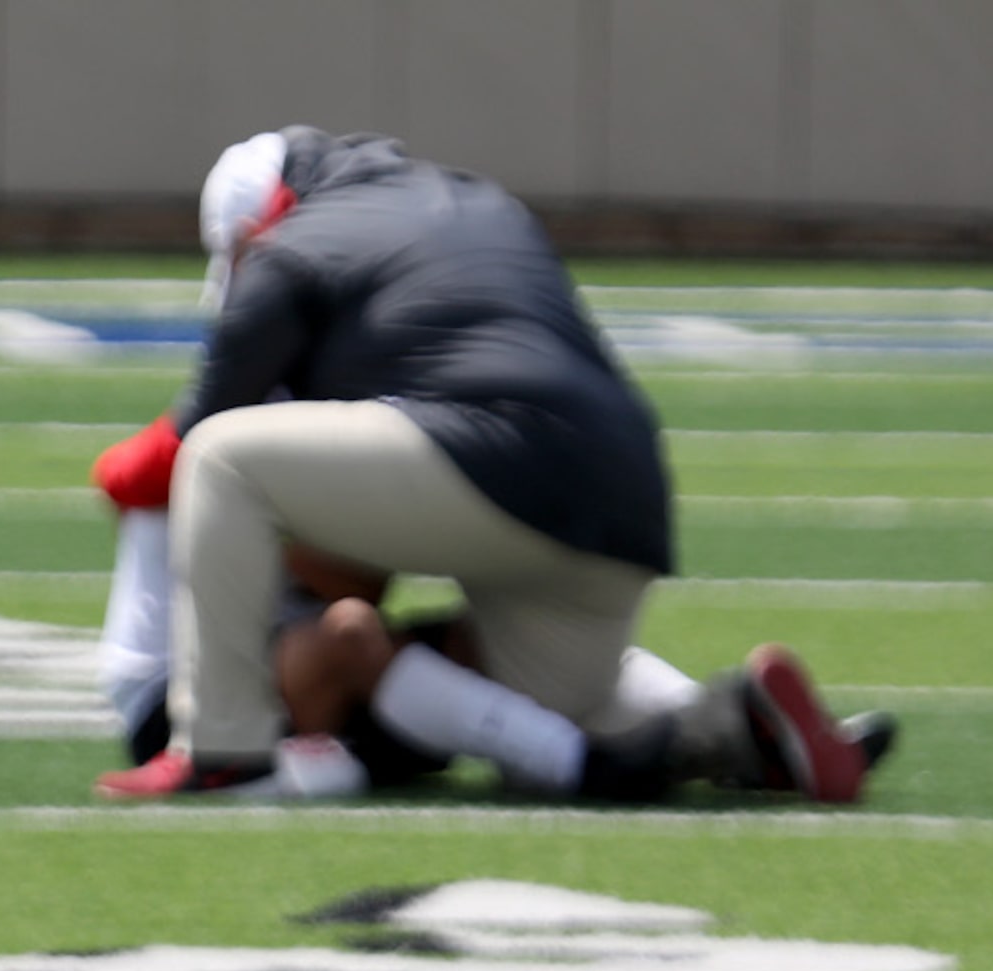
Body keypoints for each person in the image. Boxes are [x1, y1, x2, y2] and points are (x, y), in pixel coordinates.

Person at [89, 128, 883, 805]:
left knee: (224, 458)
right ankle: (732, 725)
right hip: (624, 486)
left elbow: (192, 433)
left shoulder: (294, 247)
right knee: (551, 705)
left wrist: (122, 470)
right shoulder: (472, 202)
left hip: (498, 451)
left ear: (259, 226)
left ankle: (224, 753)